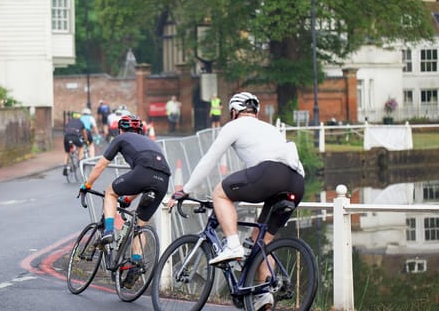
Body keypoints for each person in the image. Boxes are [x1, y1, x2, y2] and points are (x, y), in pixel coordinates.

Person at [169, 91, 304, 310]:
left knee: (220, 193)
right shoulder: (269, 128)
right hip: (296, 182)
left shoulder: (234, 126)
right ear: (256, 111)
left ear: (234, 112)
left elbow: (209, 160)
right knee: (261, 242)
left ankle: (232, 245)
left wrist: (185, 190)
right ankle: (265, 294)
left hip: (270, 174)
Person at [80, 114, 170, 285]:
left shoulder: (121, 138)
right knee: (139, 226)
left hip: (144, 172)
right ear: (140, 130)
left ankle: (108, 231)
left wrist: (87, 185)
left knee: (110, 193)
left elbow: (100, 166)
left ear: (120, 129)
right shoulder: (151, 143)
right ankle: (135, 263)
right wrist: (128, 198)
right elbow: (146, 177)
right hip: (164, 179)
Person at [62, 112, 87, 176]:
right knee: (81, 146)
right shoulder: (81, 122)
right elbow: (84, 132)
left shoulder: (69, 122)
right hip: (75, 136)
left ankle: (65, 166)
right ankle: (79, 160)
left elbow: (66, 130)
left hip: (66, 137)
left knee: (67, 152)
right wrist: (86, 140)